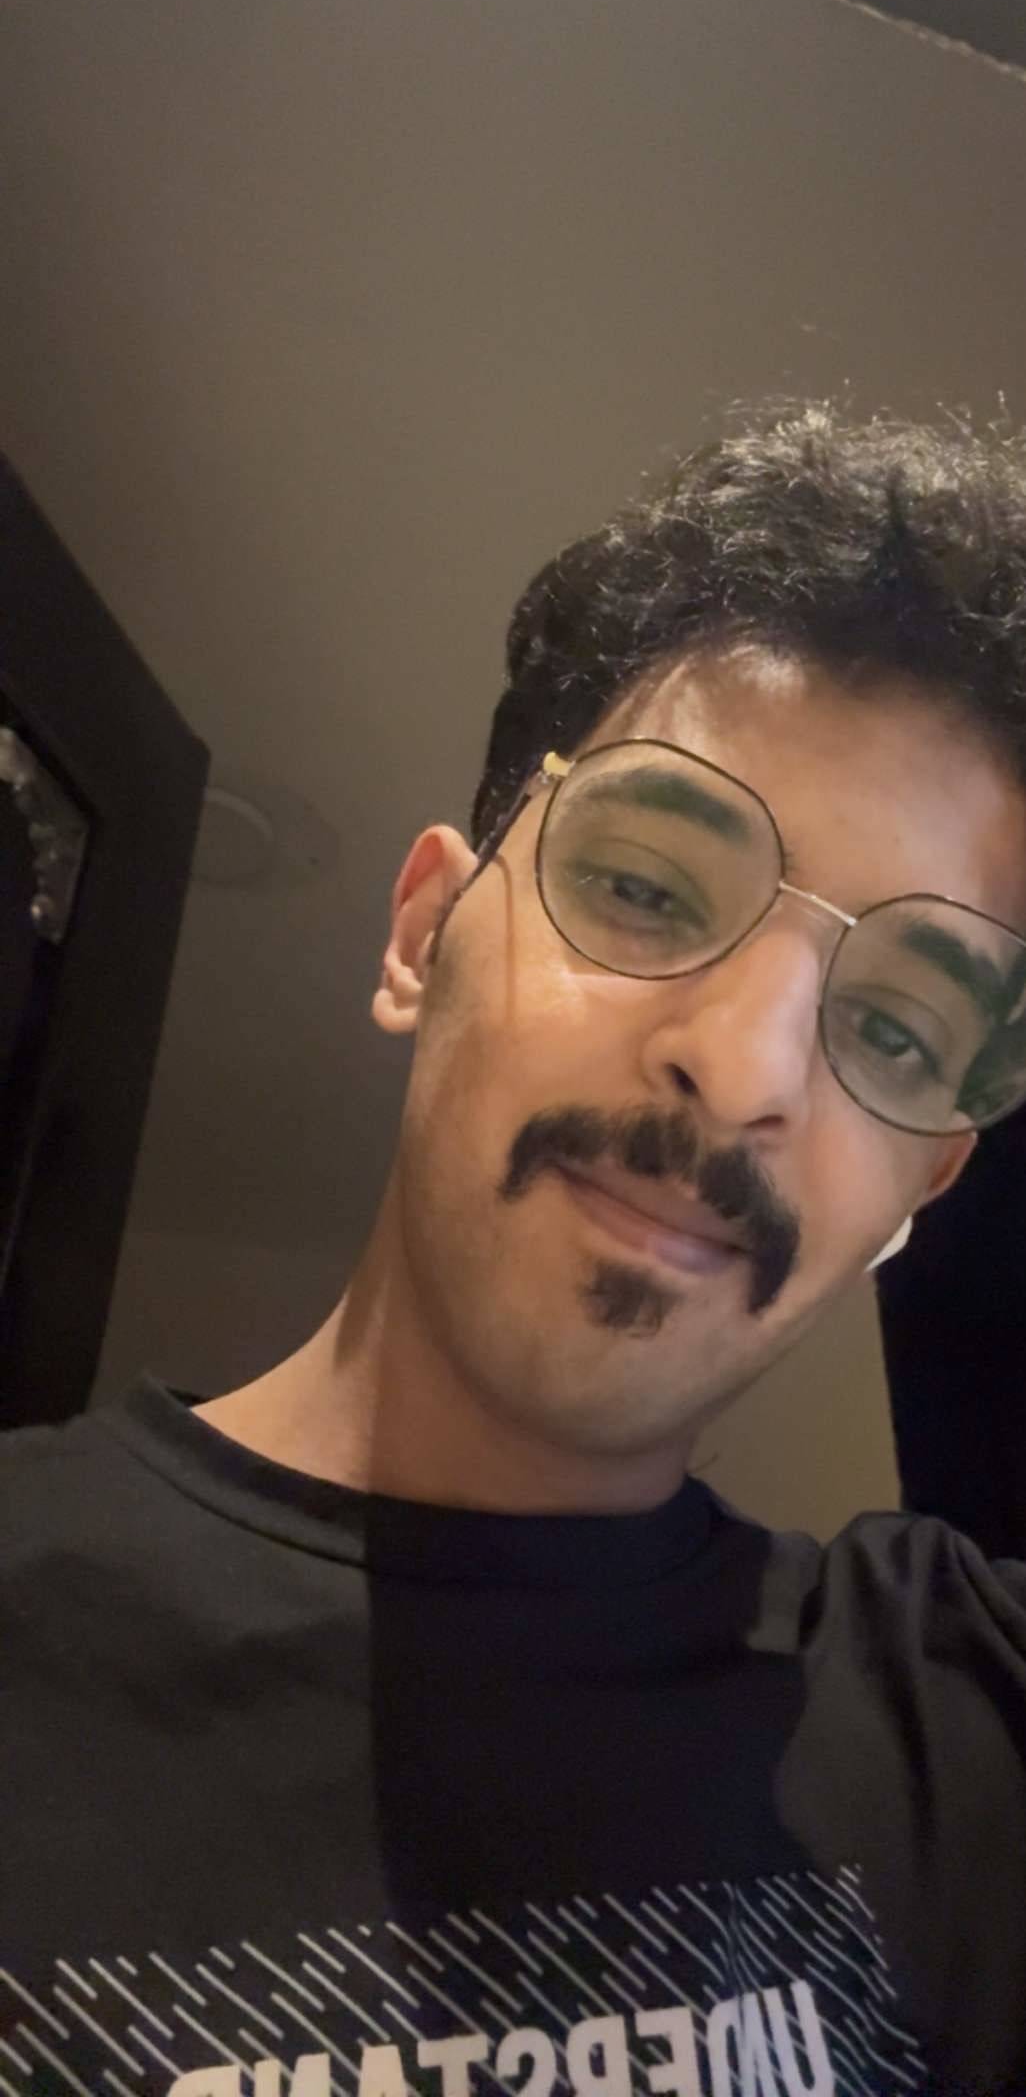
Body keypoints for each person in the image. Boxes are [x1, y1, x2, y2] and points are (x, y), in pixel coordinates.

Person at [4, 403, 1026, 2097]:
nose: (745, 1070)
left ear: (925, 1184)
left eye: (898, 1032)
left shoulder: (968, 1720)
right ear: (425, 929)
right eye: (645, 889)